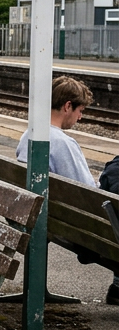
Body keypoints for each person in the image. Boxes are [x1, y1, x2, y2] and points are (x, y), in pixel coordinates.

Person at [15, 77, 117, 303]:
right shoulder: (62, 143)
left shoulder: (30, 133)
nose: (80, 117)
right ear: (67, 106)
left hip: (44, 215)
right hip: (80, 227)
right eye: (80, 110)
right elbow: (89, 193)